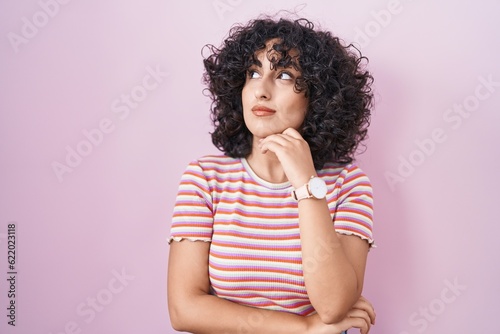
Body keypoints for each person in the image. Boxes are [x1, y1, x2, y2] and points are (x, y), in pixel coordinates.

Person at [167, 15, 376, 334]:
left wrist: (307, 184)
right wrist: (304, 329)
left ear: (316, 96)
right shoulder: (206, 178)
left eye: (284, 75)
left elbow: (333, 305)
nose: (260, 91)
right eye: (253, 73)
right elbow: (184, 310)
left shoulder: (347, 184)